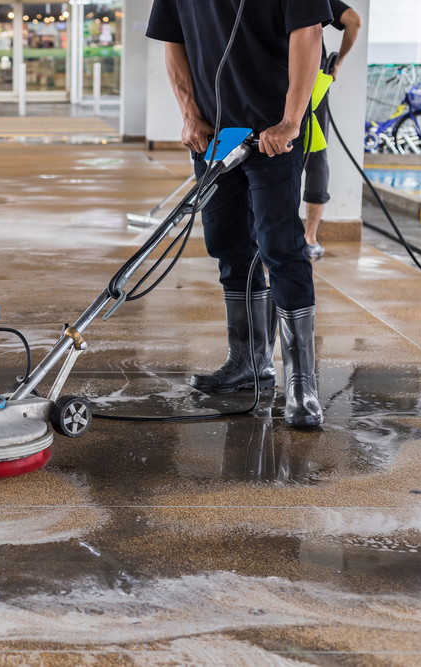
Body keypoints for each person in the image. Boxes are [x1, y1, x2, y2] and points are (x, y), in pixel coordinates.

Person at [146, 0, 332, 427]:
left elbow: (309, 33)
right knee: (229, 246)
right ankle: (249, 360)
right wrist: (189, 114)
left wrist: (290, 120)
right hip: (215, 134)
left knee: (281, 248)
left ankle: (302, 385)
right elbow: (172, 40)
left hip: (272, 134)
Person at [304, 0, 362, 259]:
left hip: (270, 85)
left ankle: (267, 236)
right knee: (315, 157)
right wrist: (336, 65)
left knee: (267, 155)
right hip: (310, 85)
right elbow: (353, 20)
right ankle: (308, 238)